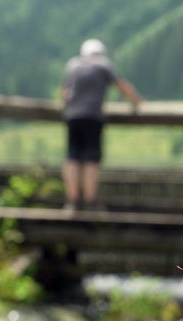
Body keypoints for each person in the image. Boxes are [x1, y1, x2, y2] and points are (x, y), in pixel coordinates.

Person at [60, 38, 142, 211]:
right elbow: (122, 86)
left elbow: (65, 92)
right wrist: (136, 102)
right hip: (92, 116)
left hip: (72, 115)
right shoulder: (103, 64)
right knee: (91, 158)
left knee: (72, 157)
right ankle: (90, 201)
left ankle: (72, 202)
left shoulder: (73, 65)